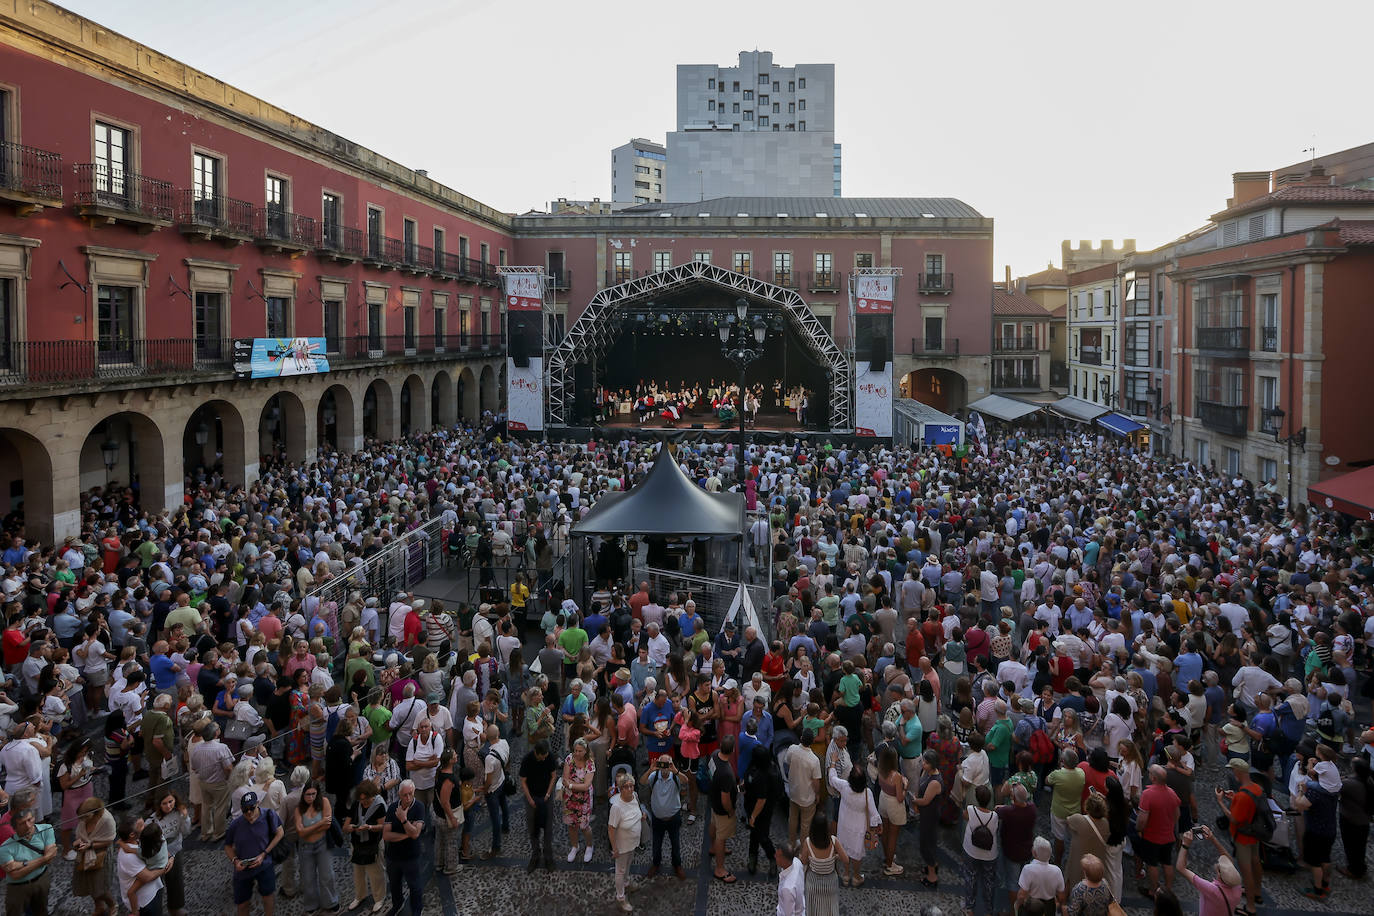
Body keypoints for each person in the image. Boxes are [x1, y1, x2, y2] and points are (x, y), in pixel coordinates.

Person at [1215, 759, 1265, 914]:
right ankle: (1257, 893)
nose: (1232, 773)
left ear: (1239, 771)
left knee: (1246, 872)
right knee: (1256, 862)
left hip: (1242, 837)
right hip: (1254, 833)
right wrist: (1235, 798)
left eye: (1233, 770)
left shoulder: (1243, 796)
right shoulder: (1256, 788)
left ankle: (1250, 907)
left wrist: (1221, 802)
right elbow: (1248, 805)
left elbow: (1234, 819)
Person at [224, 790, 284, 916]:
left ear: (257, 804)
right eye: (245, 810)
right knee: (242, 903)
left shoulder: (269, 815)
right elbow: (228, 846)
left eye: (252, 808)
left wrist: (264, 853)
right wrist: (235, 861)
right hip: (243, 870)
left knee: (268, 896)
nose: (249, 812)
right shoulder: (236, 825)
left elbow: (280, 833)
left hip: (264, 865)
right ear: (241, 809)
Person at [293, 778, 339, 914]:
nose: (311, 797)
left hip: (322, 844)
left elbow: (328, 824)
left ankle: (331, 902)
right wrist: (319, 824)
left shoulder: (324, 802)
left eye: (313, 794)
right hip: (305, 847)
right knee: (308, 878)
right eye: (308, 794)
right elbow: (301, 832)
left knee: (327, 875)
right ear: (303, 795)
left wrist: (310, 829)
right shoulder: (299, 808)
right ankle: (311, 905)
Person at [1174, 825, 1244, 916]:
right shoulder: (1237, 887)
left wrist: (1185, 845)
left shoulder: (1212, 890)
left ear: (1219, 874)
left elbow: (1181, 868)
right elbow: (1228, 860)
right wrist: (1212, 838)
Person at [0, 806, 57, 916]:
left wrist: (21, 864)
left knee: (41, 911)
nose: (28, 825)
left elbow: (50, 857)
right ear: (14, 827)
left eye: (30, 820)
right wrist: (43, 859)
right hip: (18, 887)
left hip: (41, 879)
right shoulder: (4, 847)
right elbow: (15, 875)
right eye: (22, 823)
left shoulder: (46, 828)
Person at [342, 779, 387, 914]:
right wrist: (350, 828)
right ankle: (359, 896)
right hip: (357, 844)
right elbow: (345, 827)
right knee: (358, 873)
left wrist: (370, 827)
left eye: (366, 799)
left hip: (373, 844)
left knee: (376, 873)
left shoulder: (379, 805)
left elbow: (383, 826)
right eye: (361, 800)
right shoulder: (356, 804)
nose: (363, 802)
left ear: (372, 795)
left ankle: (379, 898)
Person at [382, 779, 427, 916]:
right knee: (395, 885)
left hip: (410, 856)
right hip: (393, 856)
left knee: (414, 886)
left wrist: (403, 819)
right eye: (404, 795)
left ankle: (417, 909)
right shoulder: (392, 808)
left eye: (410, 794)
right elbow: (386, 835)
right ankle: (398, 904)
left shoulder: (419, 807)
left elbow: (415, 834)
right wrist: (406, 834)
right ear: (399, 795)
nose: (408, 798)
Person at [1136, 764, 1181, 898]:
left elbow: (1142, 820)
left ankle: (1153, 890)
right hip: (1168, 835)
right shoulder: (1172, 793)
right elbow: (1177, 815)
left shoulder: (1147, 794)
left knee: (1152, 863)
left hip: (1152, 836)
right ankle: (1168, 889)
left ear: (1153, 778)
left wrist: (1139, 829)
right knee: (1167, 862)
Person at [116, 815, 173, 916]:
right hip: (145, 902)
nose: (146, 825)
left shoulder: (144, 838)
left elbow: (161, 851)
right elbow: (147, 877)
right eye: (142, 825)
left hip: (152, 891)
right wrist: (165, 865)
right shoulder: (129, 857)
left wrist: (171, 857)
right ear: (132, 835)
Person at [641, 752, 686, 880]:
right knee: (656, 844)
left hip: (673, 818)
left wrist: (675, 770)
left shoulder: (675, 776)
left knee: (675, 843)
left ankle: (677, 865)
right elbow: (642, 782)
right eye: (662, 765)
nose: (665, 768)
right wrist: (650, 770)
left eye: (667, 765)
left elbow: (686, 781)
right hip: (658, 819)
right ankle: (656, 864)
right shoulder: (654, 776)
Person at [150, 789, 193, 916]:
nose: (168, 806)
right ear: (159, 804)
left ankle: (175, 907)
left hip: (175, 850)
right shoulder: (152, 819)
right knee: (156, 885)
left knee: (176, 881)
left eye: (170, 802)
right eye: (164, 803)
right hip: (158, 854)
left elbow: (186, 832)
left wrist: (185, 817)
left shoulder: (179, 813)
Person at [72, 796, 117, 916]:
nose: (82, 820)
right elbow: (80, 834)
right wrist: (78, 844)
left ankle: (112, 904)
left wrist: (90, 845)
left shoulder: (107, 820)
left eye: (85, 817)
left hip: (100, 854)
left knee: (99, 887)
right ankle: (99, 906)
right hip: (85, 854)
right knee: (89, 884)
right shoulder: (84, 818)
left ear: (95, 813)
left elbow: (109, 841)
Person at [962, 783, 1001, 916]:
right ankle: (988, 910)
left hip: (971, 850)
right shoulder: (994, 816)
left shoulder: (971, 810)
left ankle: (969, 908)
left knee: (970, 878)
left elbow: (964, 816)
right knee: (989, 881)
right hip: (989, 854)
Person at [743, 745, 783, 876]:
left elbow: (761, 800)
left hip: (761, 810)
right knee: (754, 834)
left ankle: (772, 858)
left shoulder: (763, 776)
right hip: (754, 807)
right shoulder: (764, 766)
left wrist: (753, 817)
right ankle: (753, 857)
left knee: (762, 836)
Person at [607, 770, 643, 913]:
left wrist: (642, 816)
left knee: (628, 864)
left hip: (633, 843)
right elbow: (611, 828)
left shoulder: (635, 796)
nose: (629, 789)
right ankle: (620, 897)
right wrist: (615, 848)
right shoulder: (616, 807)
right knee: (620, 870)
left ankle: (627, 883)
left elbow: (637, 811)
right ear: (620, 789)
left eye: (631, 786)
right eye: (626, 787)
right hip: (622, 846)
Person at [799, 813, 847, 916]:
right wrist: (834, 857)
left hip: (813, 883)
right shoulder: (834, 841)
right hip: (830, 883)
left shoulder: (808, 842)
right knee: (830, 909)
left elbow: (803, 861)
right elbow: (846, 859)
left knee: (814, 910)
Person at [709, 734, 740, 884]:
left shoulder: (714, 755)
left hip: (713, 802)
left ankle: (713, 847)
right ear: (733, 750)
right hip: (722, 810)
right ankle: (719, 869)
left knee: (713, 825)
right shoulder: (727, 773)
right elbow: (725, 799)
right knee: (721, 837)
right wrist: (730, 811)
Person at [784, 728, 822, 847]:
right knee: (806, 824)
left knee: (792, 819)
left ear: (801, 738)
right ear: (812, 742)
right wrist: (817, 794)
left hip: (794, 792)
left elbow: (787, 762)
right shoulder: (814, 760)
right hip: (807, 797)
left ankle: (791, 842)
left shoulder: (792, 749)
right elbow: (816, 782)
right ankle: (803, 850)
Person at [562, 736, 596, 862]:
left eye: (580, 751)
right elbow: (565, 778)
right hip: (569, 798)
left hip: (584, 800)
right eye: (575, 750)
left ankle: (589, 846)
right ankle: (575, 846)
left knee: (584, 825)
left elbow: (586, 785)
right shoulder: (569, 758)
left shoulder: (590, 764)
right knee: (571, 825)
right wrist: (576, 786)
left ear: (585, 751)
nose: (577, 753)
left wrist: (571, 785)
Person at [1016, 837, 1067, 916]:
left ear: (1034, 853)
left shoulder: (1028, 869)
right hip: (1049, 908)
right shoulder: (1057, 871)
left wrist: (1017, 906)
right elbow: (1061, 896)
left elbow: (1022, 895)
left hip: (1032, 907)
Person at [775, 842, 806, 916]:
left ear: (784, 860)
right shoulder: (797, 862)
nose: (774, 856)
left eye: (777, 856)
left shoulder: (787, 889)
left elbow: (788, 914)